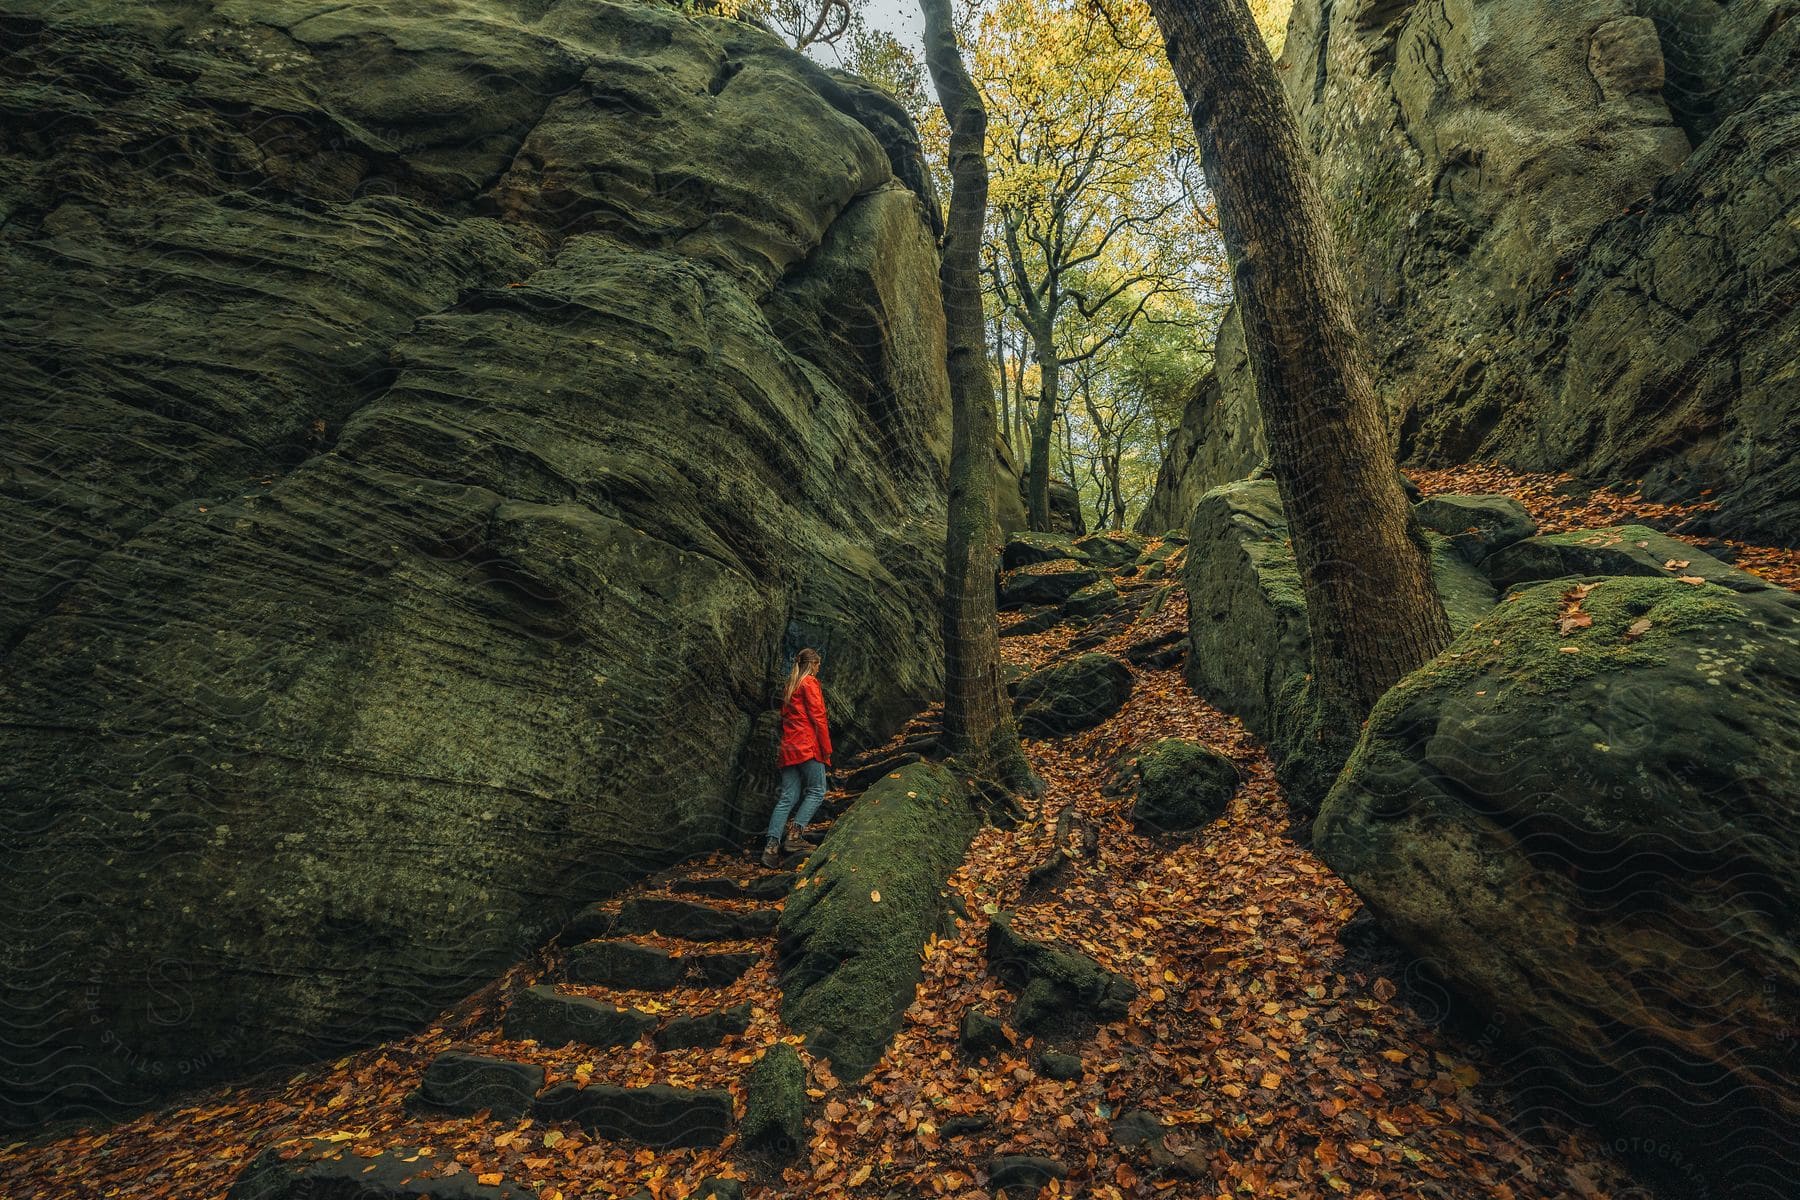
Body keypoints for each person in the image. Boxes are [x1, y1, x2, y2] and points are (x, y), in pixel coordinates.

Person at [764, 647, 832, 867]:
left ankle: (771, 846)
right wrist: (826, 747)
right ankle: (794, 836)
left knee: (788, 796)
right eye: (818, 664)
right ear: (812, 664)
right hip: (807, 745)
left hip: (789, 747)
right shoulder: (809, 683)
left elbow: (786, 718)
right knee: (817, 790)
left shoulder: (790, 686)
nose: (819, 669)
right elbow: (818, 717)